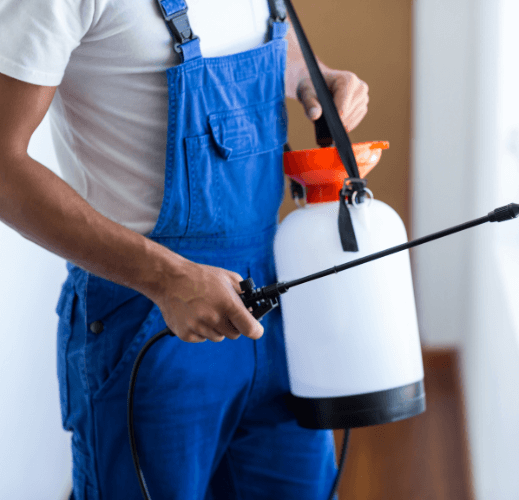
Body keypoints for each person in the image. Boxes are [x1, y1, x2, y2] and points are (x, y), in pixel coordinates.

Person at [0, 0, 369, 498]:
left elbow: (266, 42)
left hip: (275, 308)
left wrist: (314, 76)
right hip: (147, 319)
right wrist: (167, 279)